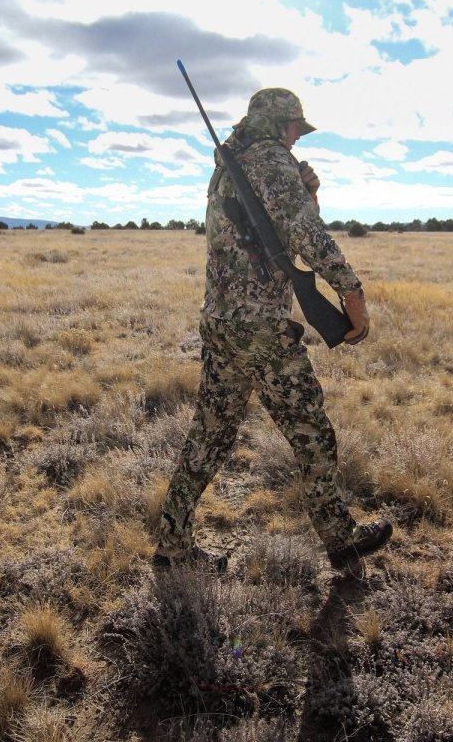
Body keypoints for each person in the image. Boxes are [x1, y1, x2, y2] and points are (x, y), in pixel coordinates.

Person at [152, 86, 392, 573]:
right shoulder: (269, 159)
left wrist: (309, 194)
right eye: (295, 130)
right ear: (279, 124)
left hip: (221, 324)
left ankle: (172, 546)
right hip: (261, 329)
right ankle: (340, 539)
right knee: (312, 434)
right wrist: (351, 292)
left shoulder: (228, 167)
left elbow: (272, 232)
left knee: (209, 437)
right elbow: (303, 233)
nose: (297, 140)